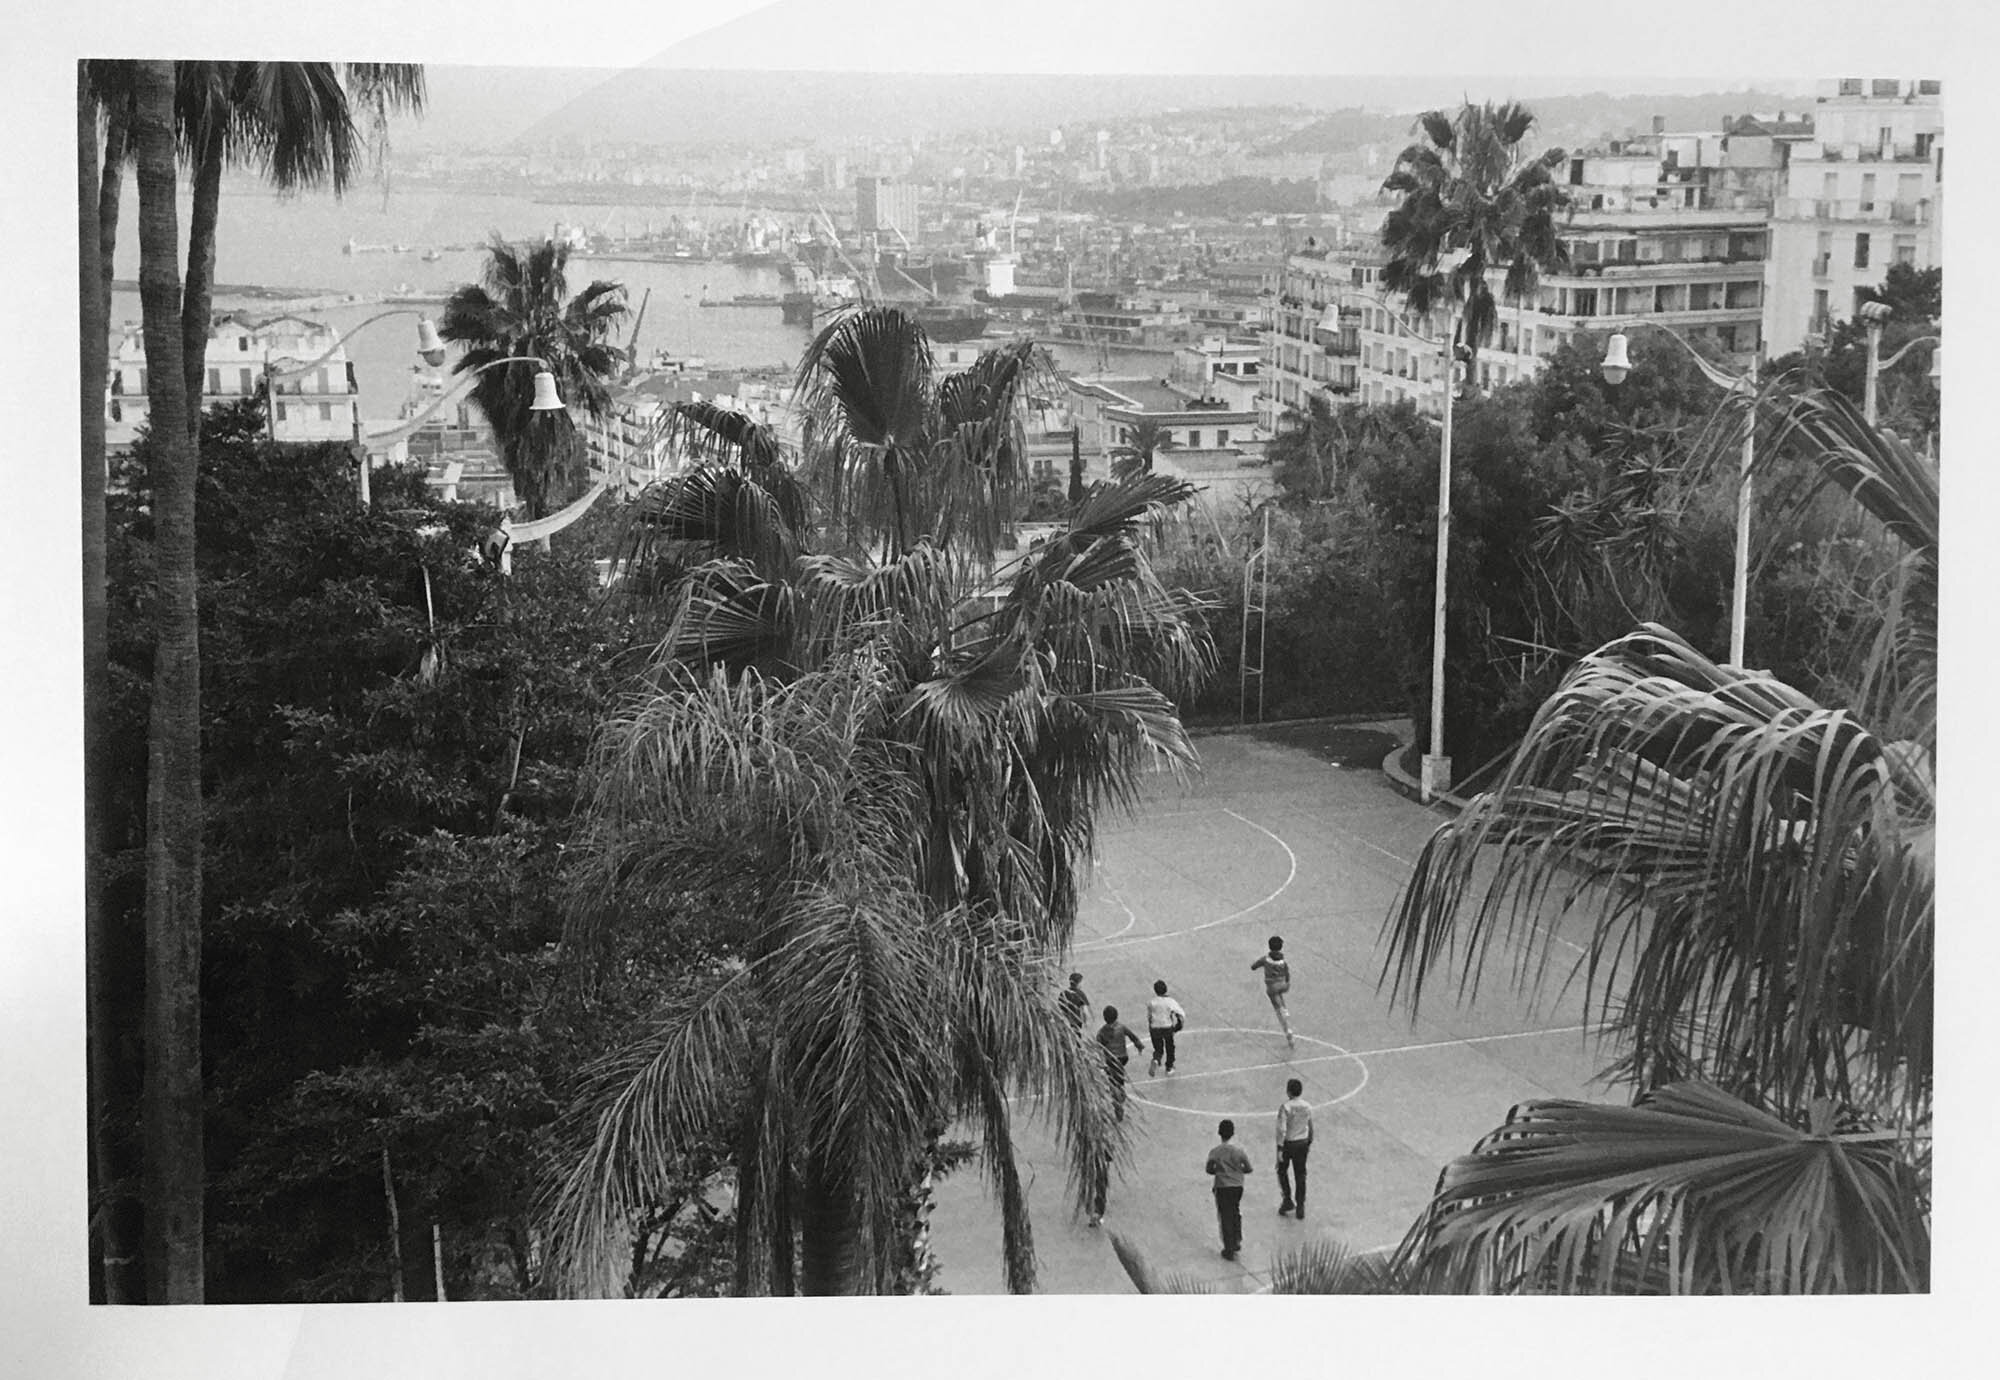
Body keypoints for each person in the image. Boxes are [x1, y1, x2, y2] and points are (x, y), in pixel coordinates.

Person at [1087, 1005, 1145, 1226]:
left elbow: (1097, 1045)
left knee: (1113, 1081)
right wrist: (1138, 1044)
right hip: (1122, 1058)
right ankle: (1119, 1096)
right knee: (1118, 1079)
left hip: (1111, 1059)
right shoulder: (1121, 1027)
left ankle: (1117, 1099)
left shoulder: (1103, 1031)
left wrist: (1097, 1058)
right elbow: (1132, 1035)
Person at [1205, 1119, 1253, 1261]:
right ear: (1233, 1133)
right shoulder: (1239, 1151)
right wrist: (1238, 1171)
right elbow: (1248, 1168)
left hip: (1222, 1186)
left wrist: (1219, 1171)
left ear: (1219, 1133)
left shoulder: (1215, 1152)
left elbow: (1209, 1169)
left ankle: (1229, 1246)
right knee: (1235, 1211)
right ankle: (1237, 1239)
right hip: (1237, 1186)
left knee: (1225, 1215)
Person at [1276, 1077, 1313, 1219]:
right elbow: (1310, 1124)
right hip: (1302, 1142)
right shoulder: (1307, 1106)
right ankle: (1301, 1205)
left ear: (1288, 1092)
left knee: (1282, 1171)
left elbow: (1282, 1129)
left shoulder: (1286, 1107)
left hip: (1288, 1143)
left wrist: (1280, 1148)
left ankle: (1287, 1199)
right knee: (1300, 1174)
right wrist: (1309, 1141)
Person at [1251, 935, 1295, 1046]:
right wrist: (1287, 983)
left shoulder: (1266, 959)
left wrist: (1256, 966)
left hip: (1272, 986)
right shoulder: (1282, 961)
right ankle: (1284, 1009)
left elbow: (1254, 966)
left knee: (1276, 1004)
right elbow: (1287, 973)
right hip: (1283, 985)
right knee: (1279, 994)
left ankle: (1287, 1029)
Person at [1144, 978, 1187, 1076]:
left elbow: (1149, 1017)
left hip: (1155, 1027)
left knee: (1158, 1049)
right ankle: (1169, 1066)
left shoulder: (1151, 1002)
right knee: (1170, 1047)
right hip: (1167, 1027)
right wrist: (1178, 1026)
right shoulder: (1170, 1001)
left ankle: (1156, 1059)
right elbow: (1181, 1014)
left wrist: (1151, 1026)